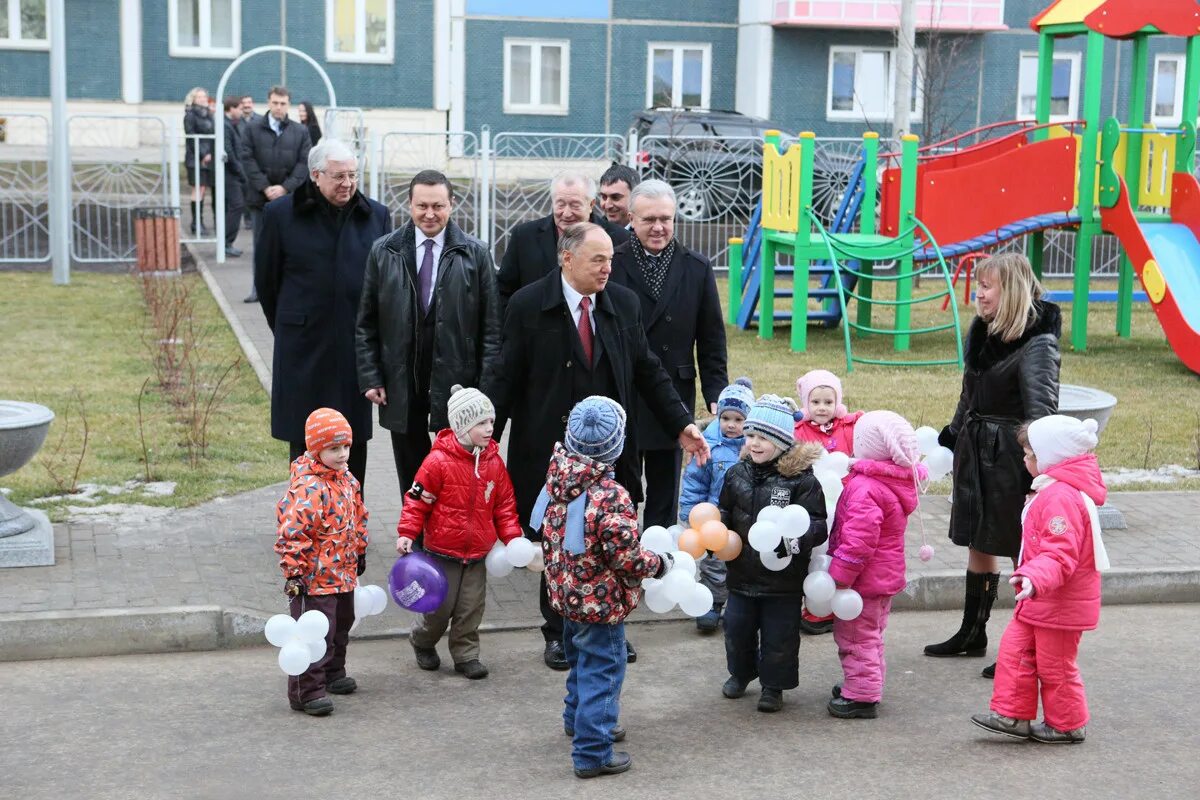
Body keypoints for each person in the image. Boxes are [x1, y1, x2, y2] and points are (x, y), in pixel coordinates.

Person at [484, 221, 710, 671]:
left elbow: (648, 369)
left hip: (611, 457)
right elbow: (504, 374)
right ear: (567, 258)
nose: (609, 268)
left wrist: (681, 423)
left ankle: (609, 630)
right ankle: (559, 633)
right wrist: (485, 438)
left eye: (610, 259)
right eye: (598, 259)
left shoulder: (621, 304)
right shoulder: (529, 305)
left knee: (610, 542)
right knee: (559, 547)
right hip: (551, 456)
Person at [924, 253, 1061, 679]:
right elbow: (971, 390)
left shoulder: (1038, 342)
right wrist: (952, 432)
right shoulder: (983, 331)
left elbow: (1043, 412)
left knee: (1026, 552)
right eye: (978, 286)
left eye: (987, 287)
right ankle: (972, 633)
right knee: (980, 543)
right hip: (977, 449)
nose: (978, 294)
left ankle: (1026, 648)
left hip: (1014, 458)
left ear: (1011, 291)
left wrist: (1037, 469)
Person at [533, 396, 674, 779]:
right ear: (616, 447)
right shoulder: (610, 495)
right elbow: (625, 556)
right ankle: (593, 751)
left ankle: (576, 719)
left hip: (566, 595)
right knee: (604, 671)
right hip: (601, 605)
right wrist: (659, 565)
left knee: (581, 662)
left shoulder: (558, 478)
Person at [255, 139, 391, 489]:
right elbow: (267, 283)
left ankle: (349, 518)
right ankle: (305, 515)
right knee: (306, 433)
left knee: (351, 436)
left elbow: (383, 283)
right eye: (338, 176)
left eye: (352, 175)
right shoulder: (280, 215)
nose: (347, 183)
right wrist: (291, 325)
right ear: (316, 175)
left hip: (353, 344)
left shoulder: (375, 215)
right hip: (304, 344)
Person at [356, 170, 501, 496]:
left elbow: (492, 329)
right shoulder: (384, 251)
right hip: (401, 378)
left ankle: (448, 539)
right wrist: (371, 375)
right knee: (410, 470)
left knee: (455, 470)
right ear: (409, 204)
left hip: (457, 379)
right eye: (422, 206)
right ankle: (416, 537)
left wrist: (485, 387)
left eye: (438, 205)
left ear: (452, 205)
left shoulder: (475, 254)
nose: (430, 214)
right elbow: (366, 322)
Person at [972, 415, 1108, 744]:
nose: (1025, 459)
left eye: (1030, 454)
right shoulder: (1049, 491)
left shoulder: (1061, 497)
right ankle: (1012, 714)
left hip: (1058, 601)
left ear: (1051, 457)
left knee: (1055, 665)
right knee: (1015, 652)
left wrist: (1034, 575)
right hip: (1041, 599)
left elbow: (1061, 553)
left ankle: (1067, 724)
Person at [609, 179, 727, 529]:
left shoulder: (697, 266)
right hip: (625, 389)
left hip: (674, 391)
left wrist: (716, 392)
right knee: (621, 483)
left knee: (665, 484)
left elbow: (711, 337)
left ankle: (657, 554)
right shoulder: (612, 262)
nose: (658, 227)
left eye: (665, 218)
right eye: (648, 220)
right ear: (631, 218)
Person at [396, 385, 522, 681]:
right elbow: (416, 501)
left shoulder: (494, 463)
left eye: (491, 421)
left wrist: (512, 538)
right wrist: (406, 532)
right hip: (442, 552)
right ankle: (423, 640)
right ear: (462, 426)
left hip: (477, 553)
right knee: (439, 609)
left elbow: (504, 505)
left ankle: (466, 654)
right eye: (482, 423)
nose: (490, 428)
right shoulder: (437, 462)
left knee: (470, 608)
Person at [718, 394, 827, 713]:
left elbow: (818, 525)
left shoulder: (802, 480)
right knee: (736, 628)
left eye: (762, 437)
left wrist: (792, 543)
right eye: (750, 435)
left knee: (780, 637)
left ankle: (773, 686)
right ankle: (741, 672)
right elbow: (725, 508)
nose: (753, 443)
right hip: (741, 573)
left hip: (783, 580)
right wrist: (718, 530)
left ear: (781, 441)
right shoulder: (736, 473)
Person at [826, 411, 927, 720]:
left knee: (856, 636)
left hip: (864, 580)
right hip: (884, 575)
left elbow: (859, 541)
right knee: (871, 633)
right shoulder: (893, 481)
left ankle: (862, 695)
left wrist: (839, 576)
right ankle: (866, 680)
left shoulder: (866, 487)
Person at [274, 407, 369, 717]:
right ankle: (305, 690)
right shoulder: (308, 488)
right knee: (315, 633)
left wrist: (360, 549)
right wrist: (295, 572)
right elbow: (293, 532)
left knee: (342, 625)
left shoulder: (347, 481)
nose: (342, 454)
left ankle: (332, 673)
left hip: (343, 573)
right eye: (333, 448)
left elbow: (359, 518)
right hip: (313, 580)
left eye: (346, 447)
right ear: (316, 449)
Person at [678, 376, 754, 633]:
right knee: (714, 563)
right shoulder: (708, 446)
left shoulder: (755, 447)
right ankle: (711, 603)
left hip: (745, 517)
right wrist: (690, 511)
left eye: (738, 420)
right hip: (714, 518)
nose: (731, 425)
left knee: (743, 563)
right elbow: (695, 481)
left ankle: (738, 607)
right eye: (725, 418)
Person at [793, 368, 863, 635]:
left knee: (839, 555)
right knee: (814, 555)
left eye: (828, 402)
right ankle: (814, 606)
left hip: (845, 504)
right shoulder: (798, 431)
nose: (822, 408)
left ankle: (834, 607)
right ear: (806, 403)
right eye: (816, 402)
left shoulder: (848, 427)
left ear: (838, 402)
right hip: (813, 506)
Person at [497, 172, 630, 306]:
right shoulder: (524, 236)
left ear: (591, 204)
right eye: (560, 204)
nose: (566, 213)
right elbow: (504, 291)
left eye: (575, 205)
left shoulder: (619, 238)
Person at [241, 85, 312, 302]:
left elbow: (304, 163)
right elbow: (247, 159)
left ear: (288, 105)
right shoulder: (252, 129)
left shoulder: (300, 131)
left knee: (291, 246)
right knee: (262, 246)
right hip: (260, 199)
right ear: (268, 103)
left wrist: (285, 188)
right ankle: (258, 289)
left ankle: (286, 289)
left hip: (290, 199)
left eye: (283, 103)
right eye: (275, 103)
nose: (279, 107)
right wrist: (265, 187)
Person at [183, 87, 215, 236]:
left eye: (204, 96)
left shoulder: (208, 114)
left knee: (203, 189)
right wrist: (203, 154)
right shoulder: (190, 115)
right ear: (193, 99)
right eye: (199, 97)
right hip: (195, 158)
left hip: (208, 156)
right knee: (198, 188)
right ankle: (196, 222)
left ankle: (199, 221)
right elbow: (191, 137)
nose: (202, 99)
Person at [220, 96, 247, 258]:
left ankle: (226, 242)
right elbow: (229, 152)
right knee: (237, 205)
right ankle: (226, 242)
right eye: (239, 108)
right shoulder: (225, 126)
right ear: (231, 109)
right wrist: (240, 172)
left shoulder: (230, 124)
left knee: (234, 206)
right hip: (230, 174)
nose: (241, 112)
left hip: (232, 173)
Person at [237, 94, 259, 232]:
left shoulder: (260, 120)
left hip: (256, 161)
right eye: (244, 103)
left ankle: (252, 217)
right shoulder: (237, 121)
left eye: (249, 102)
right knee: (244, 191)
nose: (247, 105)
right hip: (240, 161)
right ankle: (247, 218)